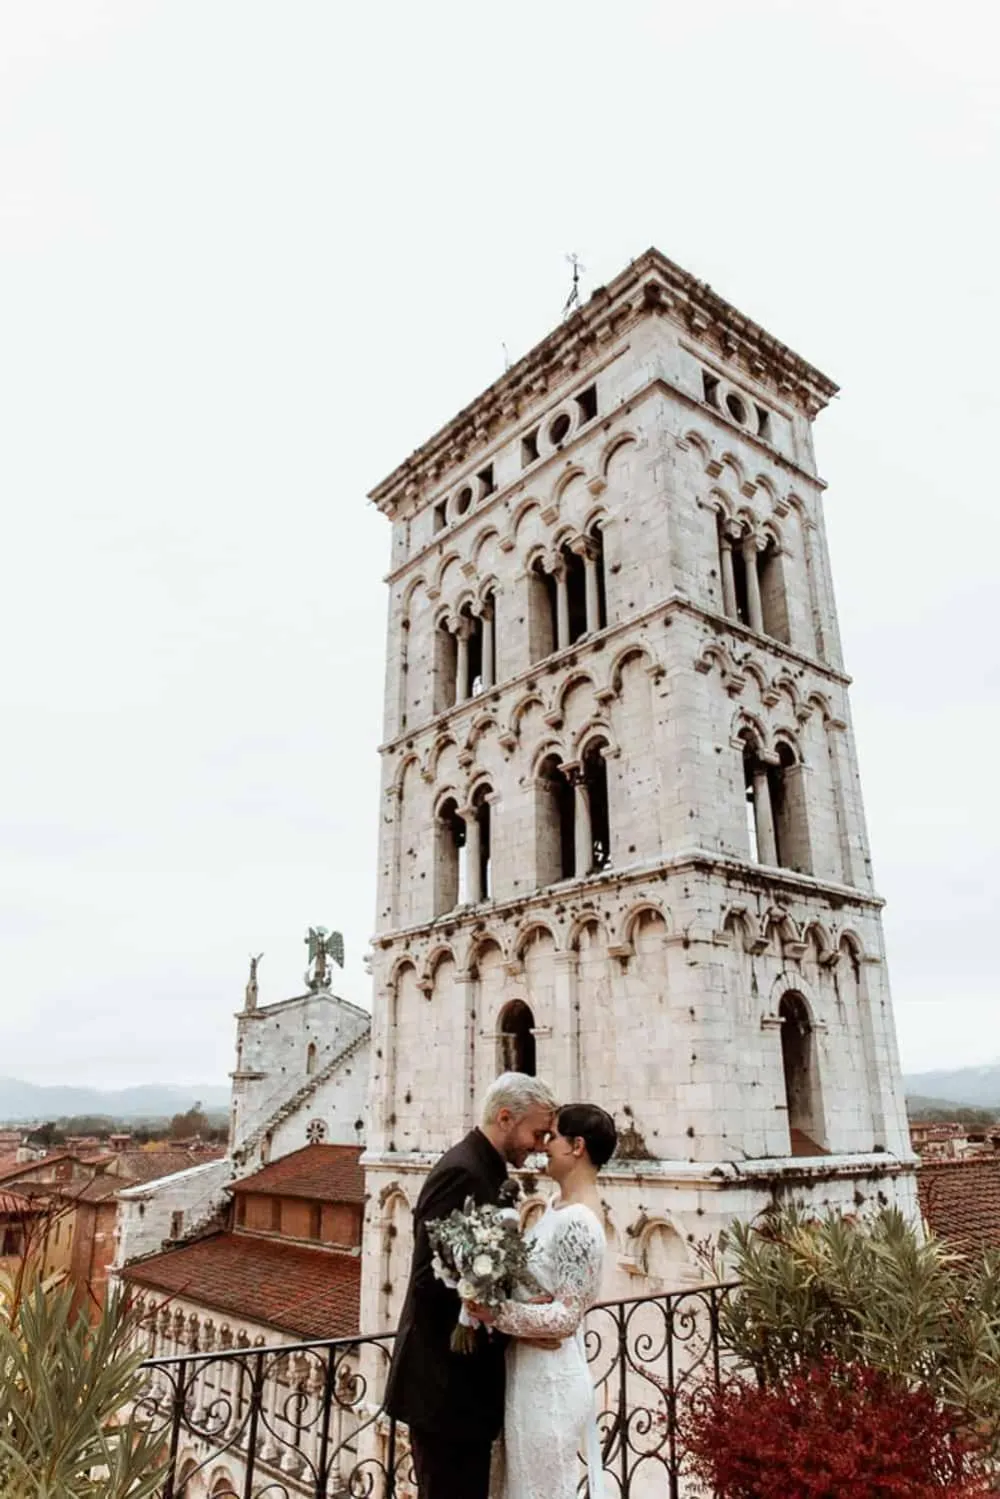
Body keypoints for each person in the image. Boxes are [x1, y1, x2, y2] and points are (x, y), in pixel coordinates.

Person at [383, 1072, 557, 1499]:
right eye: (537, 1132)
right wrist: (490, 1309)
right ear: (504, 1118)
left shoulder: (487, 1169)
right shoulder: (463, 1170)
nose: (540, 1145)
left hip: (463, 1389)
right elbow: (430, 1282)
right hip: (444, 1386)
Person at [473, 1102, 617, 1499]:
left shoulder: (580, 1222)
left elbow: (567, 1316)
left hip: (551, 1381)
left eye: (552, 1136)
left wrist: (497, 1313)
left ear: (577, 1146)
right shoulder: (556, 1208)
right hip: (529, 1370)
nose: (544, 1145)